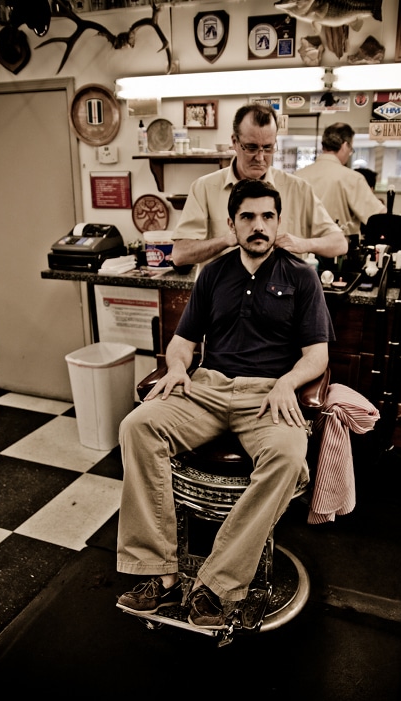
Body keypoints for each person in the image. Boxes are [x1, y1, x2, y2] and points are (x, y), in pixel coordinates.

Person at [116, 178, 335, 629]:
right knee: (137, 426)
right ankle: (159, 573)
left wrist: (286, 384)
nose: (259, 226)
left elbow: (317, 355)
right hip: (209, 388)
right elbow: (183, 342)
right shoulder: (213, 273)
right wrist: (178, 368)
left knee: (289, 456)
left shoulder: (301, 275)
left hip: (268, 394)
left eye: (268, 217)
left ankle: (217, 581)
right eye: (248, 217)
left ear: (278, 221)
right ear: (232, 223)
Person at [171, 103, 347, 273]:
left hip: (281, 299)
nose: (260, 157)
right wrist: (226, 240)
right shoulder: (205, 188)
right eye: (251, 147)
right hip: (223, 299)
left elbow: (339, 243)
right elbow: (180, 255)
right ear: (234, 142)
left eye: (268, 147)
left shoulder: (298, 189)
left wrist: (303, 244)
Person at [295, 122, 386, 241]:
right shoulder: (352, 178)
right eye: (351, 149)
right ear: (344, 145)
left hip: (302, 249)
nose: (349, 153)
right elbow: (379, 217)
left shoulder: (297, 176)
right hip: (339, 252)